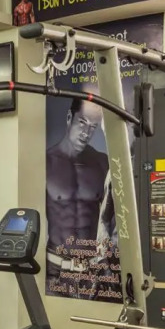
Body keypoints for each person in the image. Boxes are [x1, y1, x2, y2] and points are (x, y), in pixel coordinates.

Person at [45, 98, 108, 299]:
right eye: (82, 123)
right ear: (69, 117)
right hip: (55, 272)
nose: (86, 132)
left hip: (93, 273)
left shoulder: (102, 163)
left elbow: (113, 219)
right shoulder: (45, 163)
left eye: (93, 127)